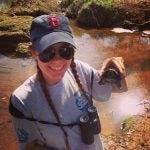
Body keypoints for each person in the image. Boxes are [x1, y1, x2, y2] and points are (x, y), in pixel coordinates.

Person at [9, 13, 127, 150]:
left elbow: (122, 88)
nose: (58, 60)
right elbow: (29, 147)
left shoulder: (81, 70)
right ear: (33, 53)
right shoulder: (21, 101)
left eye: (65, 51)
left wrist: (116, 63)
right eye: (47, 52)